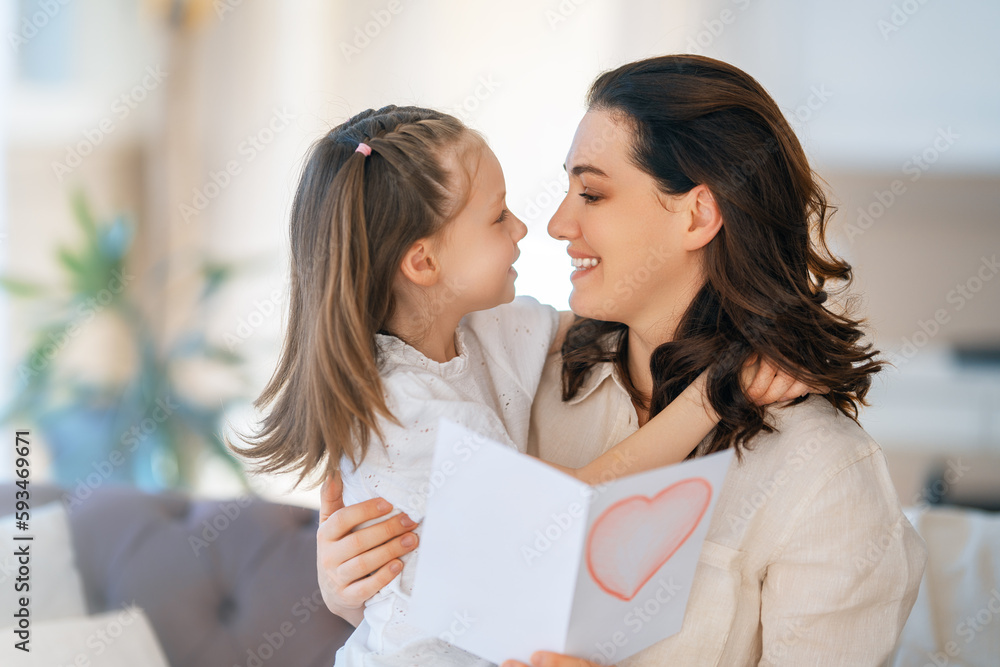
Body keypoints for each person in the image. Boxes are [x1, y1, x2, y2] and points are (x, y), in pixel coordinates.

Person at [317, 55, 928, 666]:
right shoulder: (517, 381)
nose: (555, 224)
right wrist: (357, 589)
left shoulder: (823, 474)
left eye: (591, 193)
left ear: (697, 214)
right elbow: (448, 602)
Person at [232, 105, 814, 666]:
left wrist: (757, 325)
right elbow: (573, 504)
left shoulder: (481, 332)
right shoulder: (411, 411)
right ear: (423, 263)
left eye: (591, 193)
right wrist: (710, 395)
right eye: (497, 217)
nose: (531, 226)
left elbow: (582, 323)